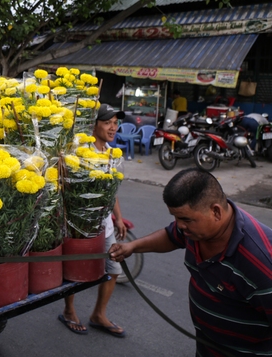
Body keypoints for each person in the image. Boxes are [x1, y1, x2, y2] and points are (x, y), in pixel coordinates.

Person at [109, 168, 272, 357]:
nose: (179, 225)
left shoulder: (261, 261)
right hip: (206, 347)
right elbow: (171, 236)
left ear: (216, 212)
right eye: (176, 218)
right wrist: (132, 247)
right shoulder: (196, 230)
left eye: (185, 219)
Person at [59, 103, 127, 337]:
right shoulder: (80, 152)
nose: (113, 127)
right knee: (76, 270)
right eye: (108, 122)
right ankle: (69, 311)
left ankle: (99, 314)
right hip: (81, 225)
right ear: (95, 124)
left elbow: (112, 190)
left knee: (114, 267)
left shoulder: (111, 154)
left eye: (116, 123)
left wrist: (118, 218)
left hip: (105, 225)